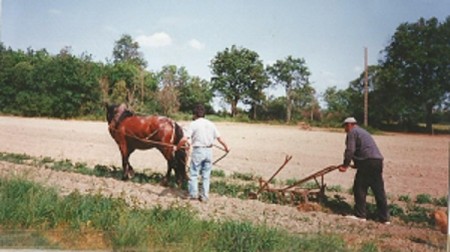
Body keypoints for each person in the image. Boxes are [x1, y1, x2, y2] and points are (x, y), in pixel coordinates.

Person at [337, 117, 390, 224]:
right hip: (377, 161)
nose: (345, 129)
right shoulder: (363, 131)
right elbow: (363, 149)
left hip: (367, 162)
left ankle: (360, 215)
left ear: (350, 125)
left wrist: (345, 165)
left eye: (345, 126)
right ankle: (384, 218)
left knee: (359, 188)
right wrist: (357, 164)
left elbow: (350, 150)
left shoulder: (352, 132)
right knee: (378, 190)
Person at [183, 104, 230, 202]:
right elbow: (219, 138)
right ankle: (204, 196)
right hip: (209, 151)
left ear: (195, 114)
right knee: (206, 175)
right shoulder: (211, 124)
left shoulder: (193, 124)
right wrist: (226, 147)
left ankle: (193, 194)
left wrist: (177, 147)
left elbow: (185, 139)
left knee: (194, 173)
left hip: (198, 151)